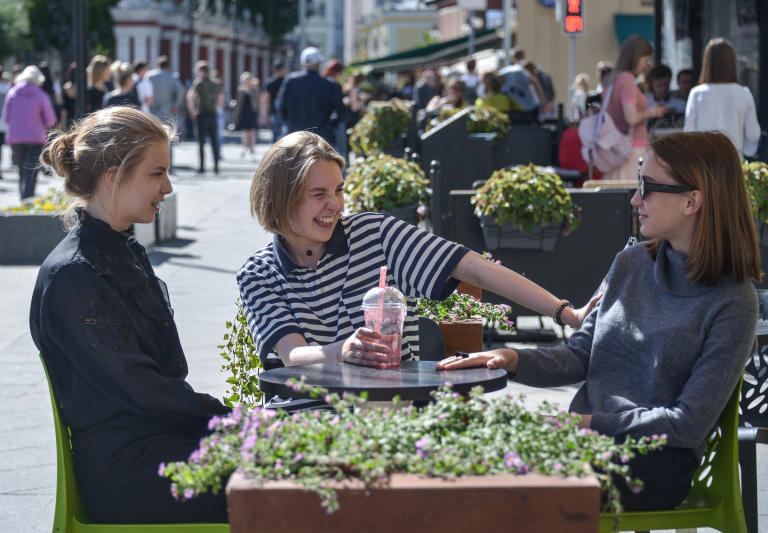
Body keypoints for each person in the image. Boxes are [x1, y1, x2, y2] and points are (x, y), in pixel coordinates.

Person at [437, 130, 760, 512]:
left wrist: (587, 425)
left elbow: (686, 424)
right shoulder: (632, 263)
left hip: (651, 463)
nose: (636, 198)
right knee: (459, 458)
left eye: (648, 186)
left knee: (497, 482)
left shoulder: (733, 301)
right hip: (586, 444)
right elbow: (580, 356)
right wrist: (510, 358)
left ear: (692, 201)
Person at [237, 131, 596, 370]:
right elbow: (293, 354)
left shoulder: (375, 234)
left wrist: (565, 312)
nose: (335, 205)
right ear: (282, 199)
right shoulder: (258, 273)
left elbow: (476, 268)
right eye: (319, 195)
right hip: (307, 413)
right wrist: (343, 351)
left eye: (339, 190)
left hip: (387, 408)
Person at [30, 106, 229, 523]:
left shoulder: (119, 250)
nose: (169, 187)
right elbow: (143, 388)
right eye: (157, 173)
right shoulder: (74, 273)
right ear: (113, 176)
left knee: (295, 468)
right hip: (128, 472)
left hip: (160, 443)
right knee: (285, 483)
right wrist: (231, 419)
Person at [603, 35, 669, 180]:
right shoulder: (627, 79)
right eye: (645, 60)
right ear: (636, 58)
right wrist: (653, 112)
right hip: (631, 150)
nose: (646, 66)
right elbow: (631, 118)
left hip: (617, 149)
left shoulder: (612, 80)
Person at [683, 37, 761, 158]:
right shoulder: (744, 93)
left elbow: (689, 132)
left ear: (707, 62)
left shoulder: (697, 93)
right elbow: (753, 134)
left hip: (705, 161)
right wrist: (746, 150)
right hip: (735, 159)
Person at [2, 65, 57, 200]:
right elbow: (50, 120)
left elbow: (5, 118)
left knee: (21, 170)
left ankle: (23, 196)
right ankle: (28, 198)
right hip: (35, 138)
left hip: (16, 138)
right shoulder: (41, 95)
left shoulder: (12, 93)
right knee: (32, 171)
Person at [277, 47, 345, 147]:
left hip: (295, 136)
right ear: (318, 64)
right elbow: (341, 111)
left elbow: (281, 107)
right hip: (322, 138)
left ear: (302, 63)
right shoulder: (330, 85)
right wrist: (331, 124)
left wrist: (289, 124)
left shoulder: (290, 80)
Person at [186, 60, 222, 173]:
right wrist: (216, 107)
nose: (196, 72)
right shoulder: (216, 82)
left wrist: (192, 110)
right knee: (214, 140)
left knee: (201, 141)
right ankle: (216, 166)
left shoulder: (199, 82)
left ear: (202, 71)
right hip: (213, 114)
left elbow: (191, 96)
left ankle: (202, 166)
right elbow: (220, 98)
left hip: (202, 114)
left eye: (197, 70)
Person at [145, 56, 185, 125]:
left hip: (152, 108)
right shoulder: (172, 76)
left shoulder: (149, 76)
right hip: (167, 109)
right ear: (168, 66)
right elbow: (181, 90)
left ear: (158, 65)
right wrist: (176, 105)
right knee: (167, 130)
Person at [235, 71, 258, 160]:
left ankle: (252, 150)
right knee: (245, 132)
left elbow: (257, 102)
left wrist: (258, 114)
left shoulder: (254, 89)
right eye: (244, 80)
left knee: (252, 132)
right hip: (243, 112)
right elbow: (238, 103)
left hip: (252, 112)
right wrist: (236, 115)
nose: (246, 81)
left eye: (247, 79)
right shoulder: (240, 90)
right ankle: (244, 148)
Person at [265, 60, 286, 143]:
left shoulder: (270, 82)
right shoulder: (288, 81)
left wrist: (266, 115)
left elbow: (266, 100)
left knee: (275, 135)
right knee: (284, 135)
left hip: (274, 112)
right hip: (284, 112)